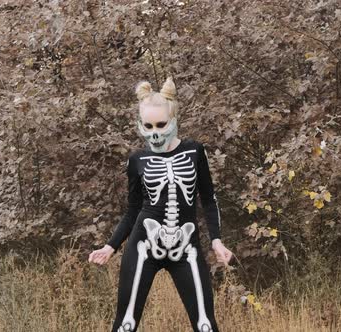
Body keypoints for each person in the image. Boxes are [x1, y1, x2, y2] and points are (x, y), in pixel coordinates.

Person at [88, 76, 233, 332]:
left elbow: (208, 199)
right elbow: (133, 209)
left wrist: (217, 240)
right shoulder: (137, 160)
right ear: (140, 125)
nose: (155, 133)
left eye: (161, 124)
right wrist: (111, 246)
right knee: (125, 325)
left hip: (186, 248)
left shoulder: (194, 151)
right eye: (148, 126)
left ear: (174, 120)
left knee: (205, 326)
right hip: (145, 245)